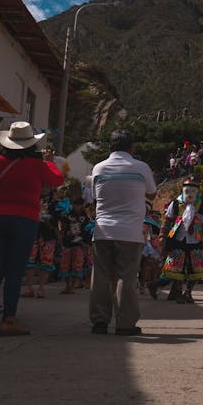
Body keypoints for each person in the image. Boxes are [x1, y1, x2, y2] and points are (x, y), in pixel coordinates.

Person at [0, 122, 64, 336]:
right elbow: (57, 179)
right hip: (24, 219)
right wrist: (49, 162)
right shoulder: (36, 166)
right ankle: (9, 320)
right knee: (14, 272)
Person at [89, 130, 156, 335]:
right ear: (131, 148)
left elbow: (94, 196)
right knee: (126, 277)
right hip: (129, 232)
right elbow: (152, 193)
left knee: (101, 277)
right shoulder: (141, 167)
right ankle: (125, 324)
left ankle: (100, 323)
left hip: (103, 231)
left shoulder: (98, 168)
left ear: (110, 147)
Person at [157, 178, 203, 304]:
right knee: (177, 269)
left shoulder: (202, 206)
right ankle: (178, 292)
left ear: (197, 192)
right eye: (187, 190)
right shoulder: (175, 204)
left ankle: (189, 292)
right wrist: (162, 235)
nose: (190, 194)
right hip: (178, 239)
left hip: (195, 240)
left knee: (197, 269)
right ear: (183, 190)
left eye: (193, 191)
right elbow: (167, 221)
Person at [23, 188, 60, 298]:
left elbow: (58, 218)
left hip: (48, 234)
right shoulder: (32, 197)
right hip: (32, 232)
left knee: (46, 261)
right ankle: (29, 288)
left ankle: (41, 288)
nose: (45, 188)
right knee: (29, 259)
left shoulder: (55, 202)